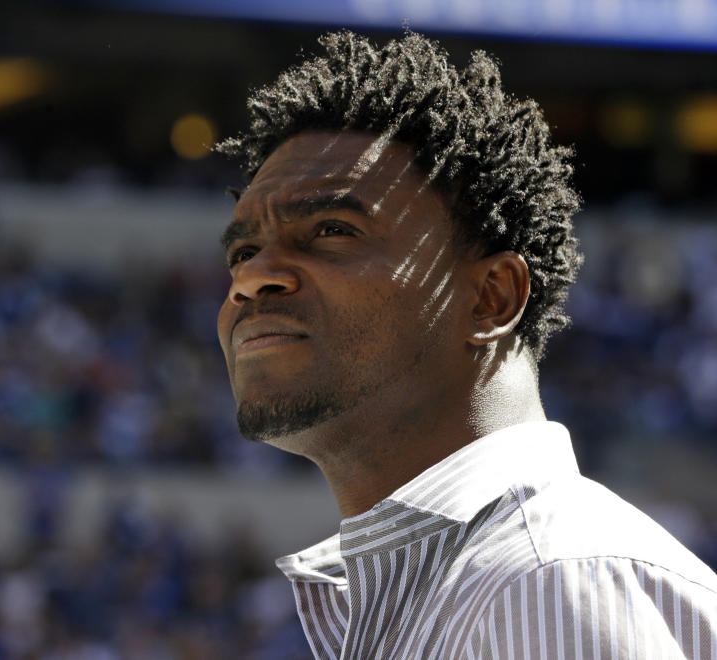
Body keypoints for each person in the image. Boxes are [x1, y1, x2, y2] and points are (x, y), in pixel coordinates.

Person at [215, 31, 717, 658]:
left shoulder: (543, 580)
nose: (251, 277)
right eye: (242, 252)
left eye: (332, 230)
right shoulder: (467, 581)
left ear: (491, 299)